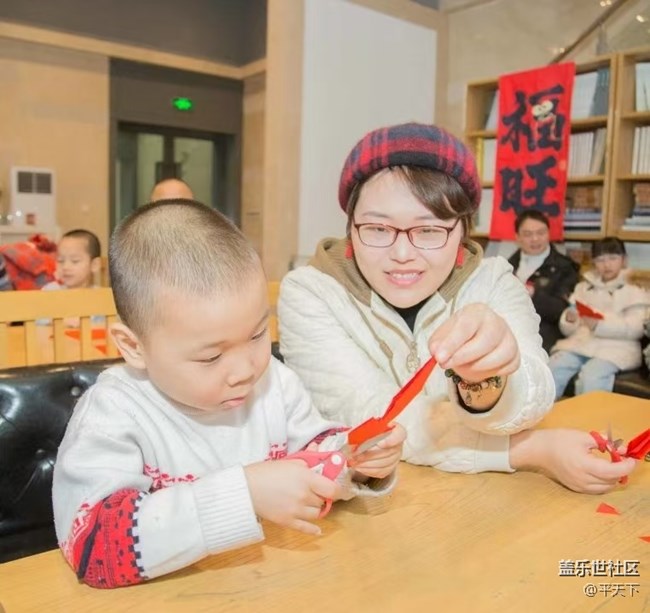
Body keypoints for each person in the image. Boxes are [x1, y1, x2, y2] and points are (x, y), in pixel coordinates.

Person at [52, 200, 404, 589]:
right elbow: (93, 548)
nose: (245, 371)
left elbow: (312, 451)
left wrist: (353, 458)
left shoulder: (275, 383)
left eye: (258, 334)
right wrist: (245, 495)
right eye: (211, 356)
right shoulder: (114, 412)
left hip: (271, 584)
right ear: (134, 346)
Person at [278, 122, 637, 494]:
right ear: (350, 226)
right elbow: (370, 421)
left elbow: (534, 396)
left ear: (463, 230)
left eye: (429, 230)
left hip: (480, 500)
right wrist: (529, 450)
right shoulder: (311, 292)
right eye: (378, 229)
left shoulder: (494, 281)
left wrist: (488, 380)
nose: (402, 254)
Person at [549, 237, 650, 399]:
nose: (606, 265)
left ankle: (589, 416)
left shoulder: (635, 291)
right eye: (600, 260)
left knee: (592, 377)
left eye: (612, 258)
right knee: (553, 367)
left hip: (617, 349)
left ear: (624, 260)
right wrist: (569, 320)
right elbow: (568, 329)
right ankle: (543, 412)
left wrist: (598, 325)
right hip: (581, 343)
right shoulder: (583, 288)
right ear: (594, 262)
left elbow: (636, 329)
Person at [508, 210, 580, 353]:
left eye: (541, 233)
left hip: (545, 333)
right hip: (509, 329)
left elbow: (563, 310)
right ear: (517, 237)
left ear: (548, 233)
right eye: (528, 234)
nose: (535, 239)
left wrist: (533, 294)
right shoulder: (508, 265)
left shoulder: (565, 267)